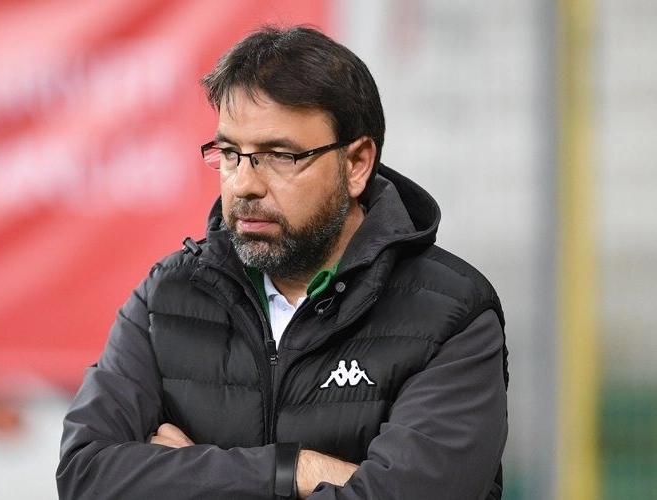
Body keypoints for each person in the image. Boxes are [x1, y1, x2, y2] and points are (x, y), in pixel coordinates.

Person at [57, 24, 508, 500]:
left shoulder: (450, 316)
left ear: (356, 163)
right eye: (230, 153)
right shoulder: (166, 299)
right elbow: (86, 476)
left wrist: (189, 475)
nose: (244, 184)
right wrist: (294, 469)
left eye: (279, 155)